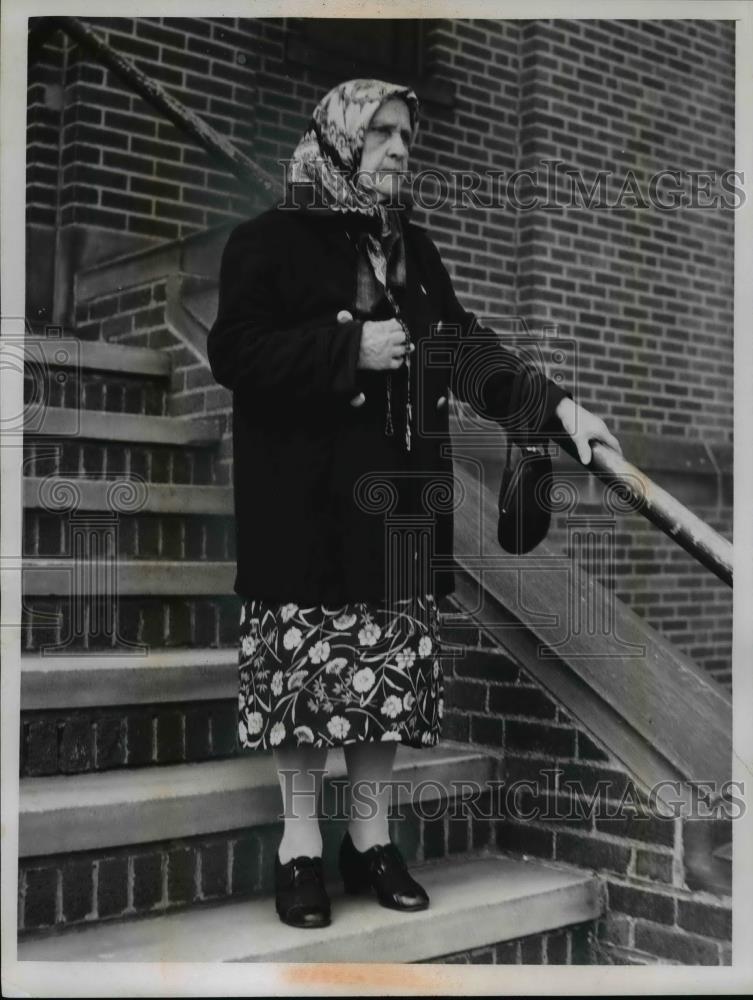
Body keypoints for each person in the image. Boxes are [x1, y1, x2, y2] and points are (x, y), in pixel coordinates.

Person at [207, 78, 621, 929]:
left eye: (408, 137)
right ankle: (297, 846)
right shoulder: (267, 241)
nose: (401, 149)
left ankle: (370, 839)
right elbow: (235, 352)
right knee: (305, 680)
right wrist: (348, 347)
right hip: (304, 507)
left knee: (380, 676)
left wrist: (560, 410)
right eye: (384, 133)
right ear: (338, 138)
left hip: (396, 507)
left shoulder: (413, 251)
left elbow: (466, 351)